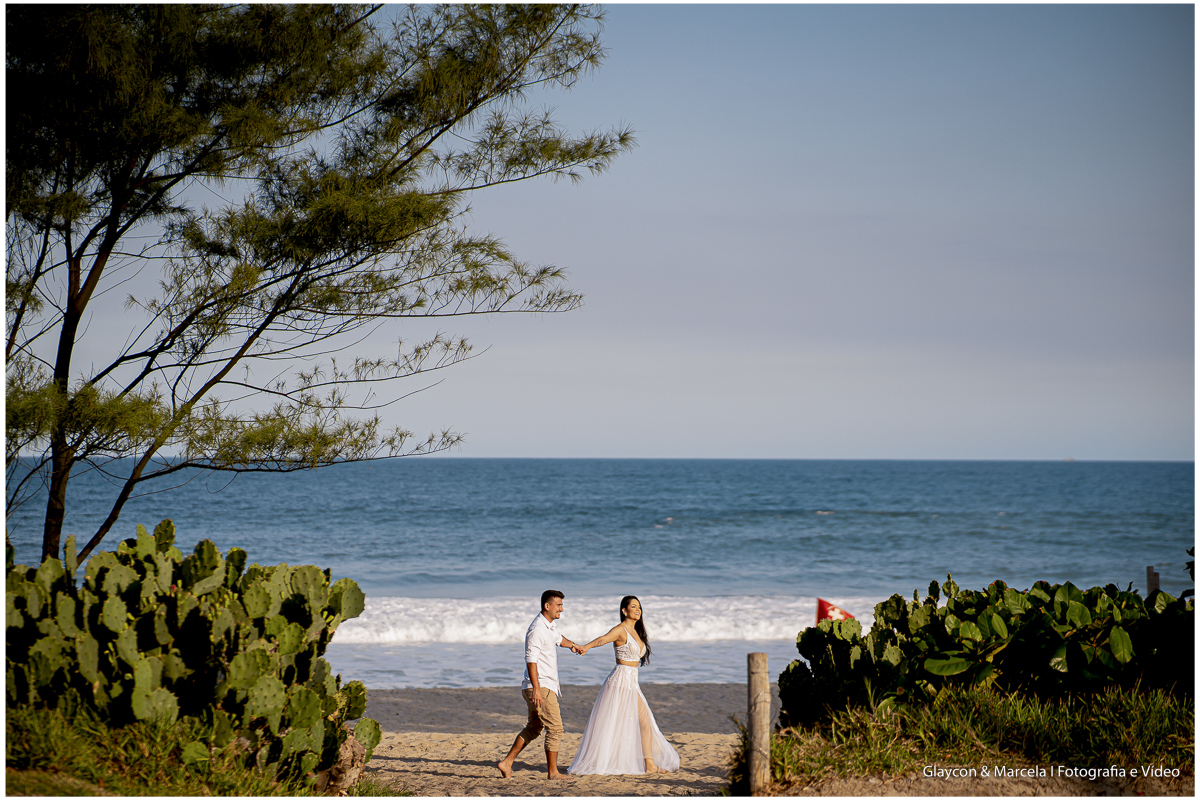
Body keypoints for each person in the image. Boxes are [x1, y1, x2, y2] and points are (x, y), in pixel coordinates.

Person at [568, 596, 680, 776]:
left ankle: (649, 764)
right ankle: (647, 764)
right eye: (633, 606)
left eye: (639, 607)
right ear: (624, 610)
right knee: (627, 722)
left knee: (641, 722)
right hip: (620, 681)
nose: (638, 610)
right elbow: (603, 639)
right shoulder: (620, 630)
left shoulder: (637, 631)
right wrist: (586, 647)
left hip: (632, 682)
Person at [497, 590, 583, 780]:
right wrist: (536, 688)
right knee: (556, 728)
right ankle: (553, 773)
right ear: (547, 606)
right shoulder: (537, 629)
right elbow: (531, 660)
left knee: (535, 727)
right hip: (540, 686)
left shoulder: (549, 627)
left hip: (540, 686)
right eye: (559, 605)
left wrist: (574, 646)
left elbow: (560, 640)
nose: (562, 608)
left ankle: (507, 763)